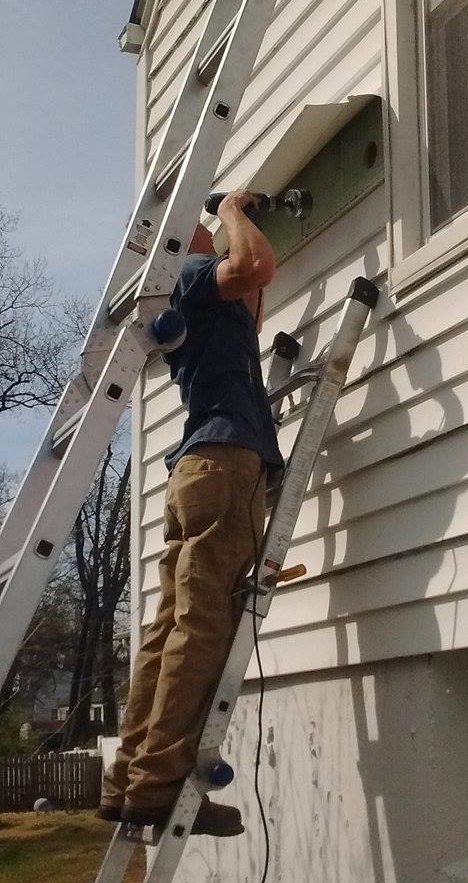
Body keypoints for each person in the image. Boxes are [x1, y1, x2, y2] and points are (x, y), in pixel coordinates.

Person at [97, 190, 284, 835]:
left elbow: (252, 304)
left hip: (194, 469)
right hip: (225, 462)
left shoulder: (187, 305)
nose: (208, 232)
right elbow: (257, 269)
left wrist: (241, 221)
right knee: (202, 627)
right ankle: (160, 784)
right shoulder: (193, 274)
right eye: (197, 229)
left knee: (169, 627)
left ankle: (129, 781)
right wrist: (231, 208)